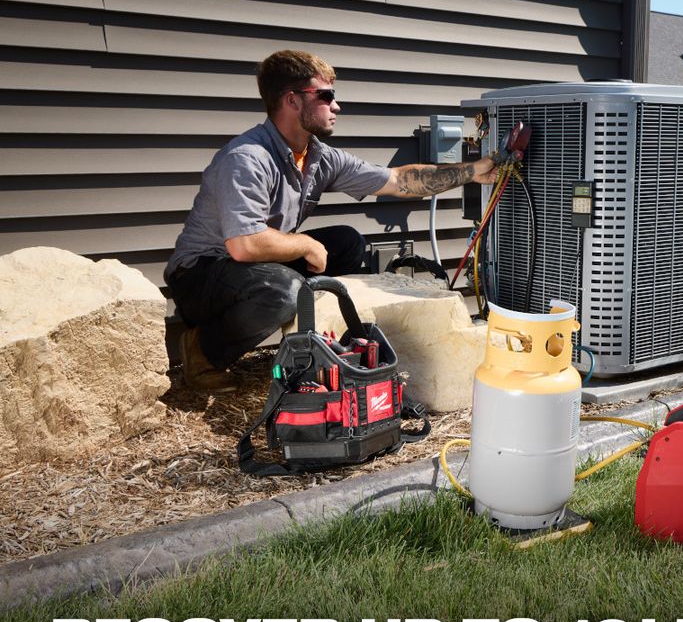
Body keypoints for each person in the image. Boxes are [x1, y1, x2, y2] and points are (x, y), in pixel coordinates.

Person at [164, 49, 497, 392]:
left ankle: (320, 345)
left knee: (347, 243)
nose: (336, 106)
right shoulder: (247, 158)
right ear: (292, 100)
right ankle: (203, 351)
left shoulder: (318, 157)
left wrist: (473, 171)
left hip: (250, 268)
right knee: (284, 290)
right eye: (325, 96)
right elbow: (244, 245)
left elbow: (398, 181)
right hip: (200, 275)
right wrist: (306, 244)